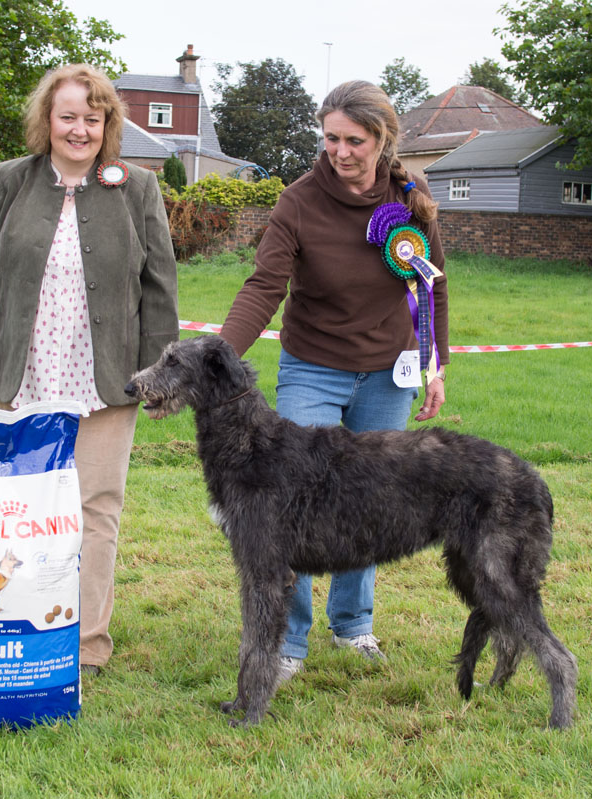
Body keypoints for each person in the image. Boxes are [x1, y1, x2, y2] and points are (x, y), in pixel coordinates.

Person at [219, 80, 449, 682]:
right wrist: (218, 355)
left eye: (355, 140)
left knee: (366, 500)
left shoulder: (411, 194)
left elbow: (432, 285)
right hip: (313, 364)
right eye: (330, 139)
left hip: (388, 373)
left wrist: (435, 364)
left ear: (383, 140)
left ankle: (353, 625)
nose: (340, 152)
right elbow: (264, 286)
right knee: (288, 500)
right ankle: (288, 642)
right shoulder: (298, 201)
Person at [0, 64, 179, 675]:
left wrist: (162, 376)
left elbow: (159, 289)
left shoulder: (136, 188)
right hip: (21, 377)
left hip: (105, 382)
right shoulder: (8, 182)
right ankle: (18, 626)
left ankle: (85, 647)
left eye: (92, 117)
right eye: (67, 116)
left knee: (95, 509)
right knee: (18, 510)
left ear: (108, 123)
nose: (79, 129)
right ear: (47, 121)